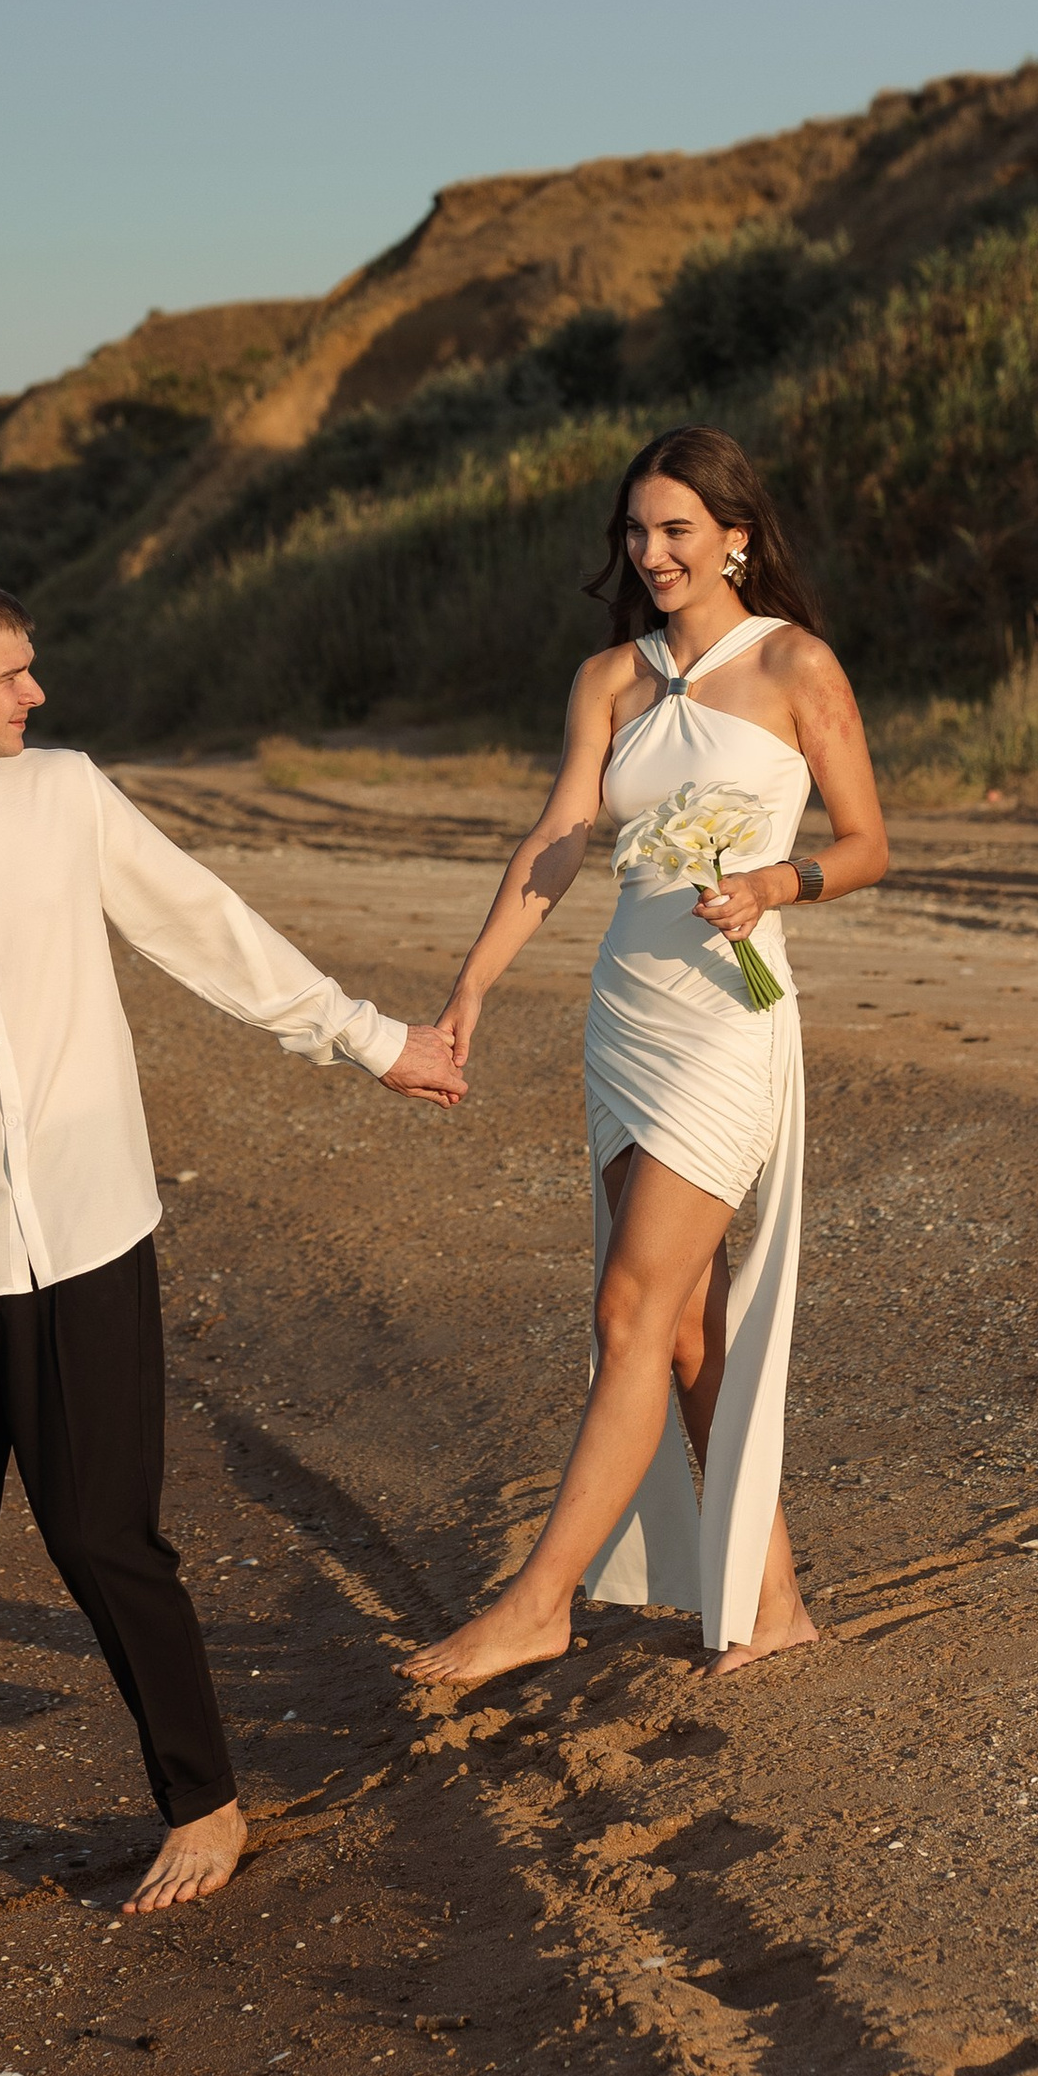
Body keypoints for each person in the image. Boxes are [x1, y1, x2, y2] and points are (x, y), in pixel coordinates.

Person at [0, 570, 464, 1963]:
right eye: (11, 672)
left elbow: (205, 927)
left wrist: (369, 1039)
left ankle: (203, 1803)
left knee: (104, 1537)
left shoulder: (67, 797)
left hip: (89, 1237)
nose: (37, 692)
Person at [408, 426, 886, 1688]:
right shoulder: (608, 679)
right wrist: (472, 984)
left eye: (677, 528)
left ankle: (538, 1602)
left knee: (627, 1307)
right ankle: (772, 1600)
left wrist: (779, 880)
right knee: (675, 1332)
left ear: (735, 535)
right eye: (636, 529)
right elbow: (561, 836)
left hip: (728, 1016)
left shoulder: (793, 662)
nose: (652, 550)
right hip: (626, 1015)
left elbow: (869, 841)